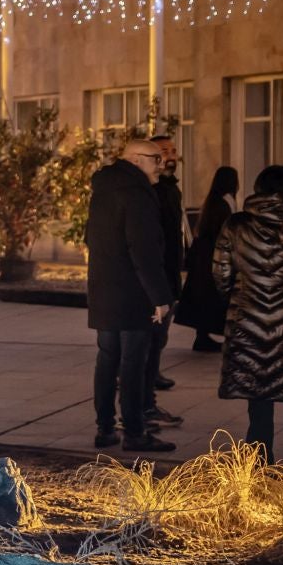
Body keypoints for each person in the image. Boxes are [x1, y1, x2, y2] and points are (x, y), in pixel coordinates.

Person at [213, 165, 283, 463]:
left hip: (250, 323)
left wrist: (243, 298)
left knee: (258, 400)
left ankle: (259, 466)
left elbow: (221, 275)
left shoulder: (235, 225)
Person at [86, 139, 177, 452]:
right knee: (133, 364)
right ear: (137, 160)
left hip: (104, 290)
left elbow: (91, 238)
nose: (161, 164)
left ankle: (105, 428)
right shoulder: (136, 193)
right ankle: (135, 432)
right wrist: (160, 296)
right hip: (132, 292)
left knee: (107, 359)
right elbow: (144, 250)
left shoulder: (104, 188)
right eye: (155, 158)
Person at [144, 132, 186, 417]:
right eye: (163, 151)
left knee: (159, 337)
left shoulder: (170, 188)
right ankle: (143, 401)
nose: (170, 156)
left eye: (172, 150)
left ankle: (151, 378)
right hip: (155, 277)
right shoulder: (151, 190)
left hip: (169, 273)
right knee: (149, 337)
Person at [178, 165, 241, 353]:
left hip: (203, 257)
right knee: (213, 296)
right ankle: (206, 337)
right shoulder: (226, 202)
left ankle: (203, 336)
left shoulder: (213, 201)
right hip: (213, 257)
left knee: (204, 297)